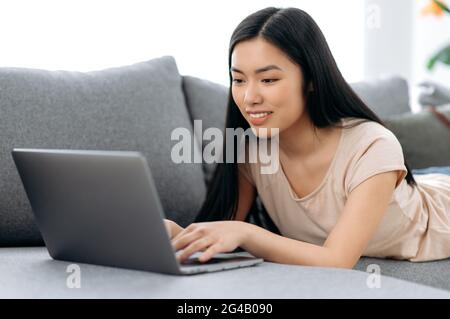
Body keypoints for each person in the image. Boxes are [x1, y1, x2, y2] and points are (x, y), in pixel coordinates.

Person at [166, 7, 450, 268]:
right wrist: (175, 234)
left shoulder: (373, 147)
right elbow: (220, 233)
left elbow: (336, 261)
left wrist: (247, 234)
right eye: (239, 80)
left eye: (268, 80)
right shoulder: (251, 151)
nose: (249, 97)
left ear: (311, 79)